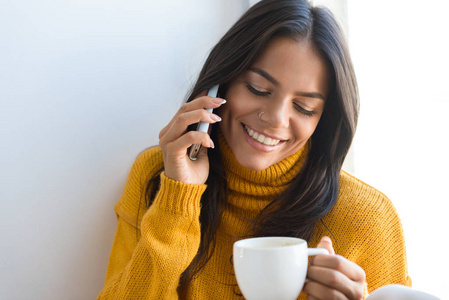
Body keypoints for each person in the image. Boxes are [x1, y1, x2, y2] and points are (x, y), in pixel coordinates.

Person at [97, 0, 411, 299]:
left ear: (323, 119)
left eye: (303, 107)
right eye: (257, 89)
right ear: (223, 81)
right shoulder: (158, 175)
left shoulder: (367, 218)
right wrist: (177, 199)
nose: (275, 119)